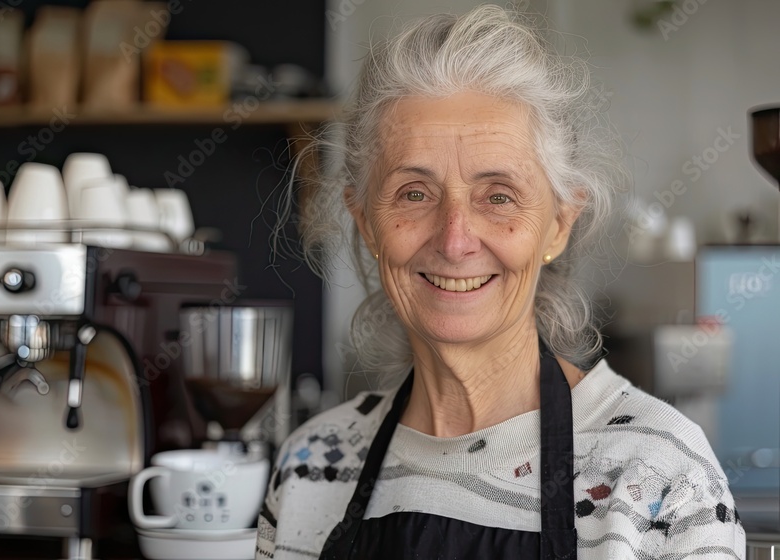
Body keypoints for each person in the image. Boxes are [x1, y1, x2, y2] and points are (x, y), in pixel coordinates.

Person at [256, 5, 745, 559]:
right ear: (366, 221)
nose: (455, 239)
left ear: (558, 225)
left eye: (499, 196)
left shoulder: (658, 475)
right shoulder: (311, 466)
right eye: (415, 193)